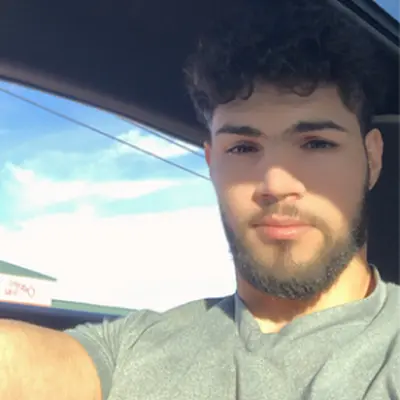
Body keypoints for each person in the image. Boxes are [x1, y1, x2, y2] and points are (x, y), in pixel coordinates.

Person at [0, 0, 397, 399]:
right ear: (211, 163)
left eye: (317, 143)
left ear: (372, 158)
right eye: (242, 148)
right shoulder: (133, 347)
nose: (275, 183)